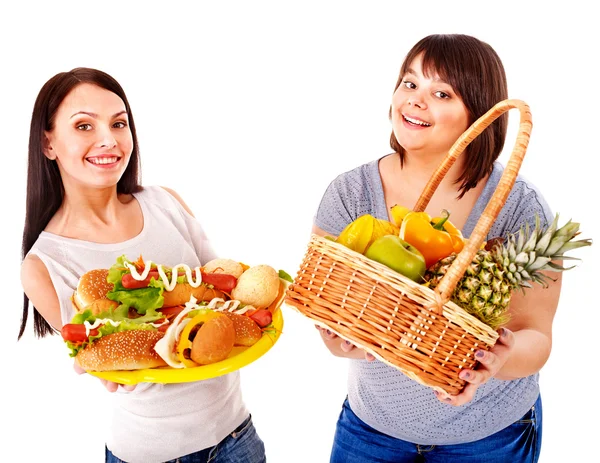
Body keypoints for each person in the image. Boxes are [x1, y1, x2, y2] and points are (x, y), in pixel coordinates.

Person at [312, 34, 558, 463]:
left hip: (489, 435)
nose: (415, 101)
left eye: (441, 92)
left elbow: (537, 336)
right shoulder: (350, 194)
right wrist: (338, 341)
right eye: (410, 84)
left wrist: (500, 359)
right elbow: (328, 310)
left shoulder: (519, 206)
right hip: (372, 429)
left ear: (479, 115)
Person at [18, 67, 266, 463]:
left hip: (237, 437)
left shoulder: (165, 203)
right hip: (148, 455)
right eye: (84, 126)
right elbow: (110, 374)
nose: (108, 140)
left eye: (119, 123)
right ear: (48, 143)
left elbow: (224, 293)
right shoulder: (44, 265)